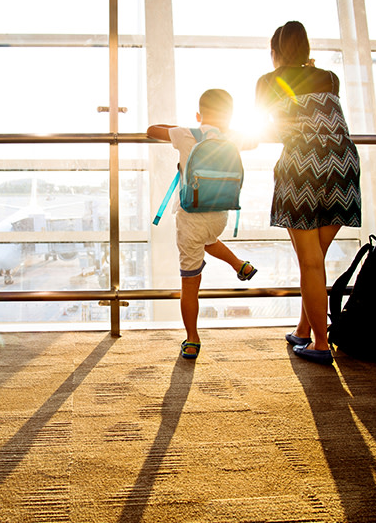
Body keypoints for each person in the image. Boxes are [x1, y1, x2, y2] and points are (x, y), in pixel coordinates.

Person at [255, 21, 362, 365]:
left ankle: (319, 343)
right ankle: (304, 329)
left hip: (303, 169)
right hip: (343, 168)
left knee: (310, 262)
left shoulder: (268, 82)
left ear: (275, 52)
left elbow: (267, 128)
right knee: (315, 260)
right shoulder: (330, 78)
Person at [148, 88, 258, 360]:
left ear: (199, 115)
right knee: (209, 240)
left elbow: (151, 129)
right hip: (220, 214)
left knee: (189, 285)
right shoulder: (233, 137)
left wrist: (184, 128)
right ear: (230, 117)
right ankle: (239, 265)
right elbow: (255, 142)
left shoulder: (186, 134)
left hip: (191, 217)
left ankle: (192, 339)